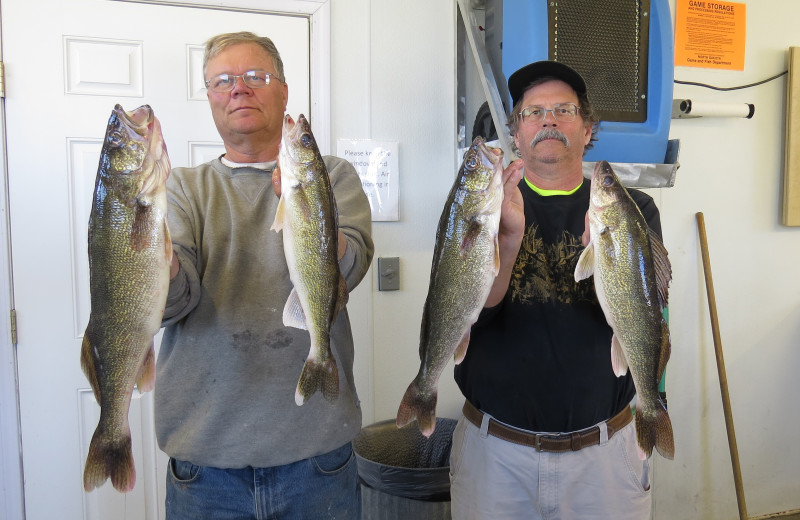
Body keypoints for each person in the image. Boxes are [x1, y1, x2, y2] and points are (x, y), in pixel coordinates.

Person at [155, 31, 374, 519]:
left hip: (318, 461)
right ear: (210, 97)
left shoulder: (331, 174)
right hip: (204, 468)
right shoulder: (182, 188)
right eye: (223, 81)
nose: (239, 89)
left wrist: (311, 204)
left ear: (284, 91)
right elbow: (172, 304)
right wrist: (157, 261)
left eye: (256, 77)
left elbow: (353, 266)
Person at [450, 61, 663, 519]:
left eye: (563, 110)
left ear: (587, 129)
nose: (548, 119)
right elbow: (468, 316)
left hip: (605, 455)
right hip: (495, 456)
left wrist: (613, 263)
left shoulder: (633, 210)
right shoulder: (478, 206)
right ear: (516, 133)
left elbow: (646, 319)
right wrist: (506, 242)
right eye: (533, 112)